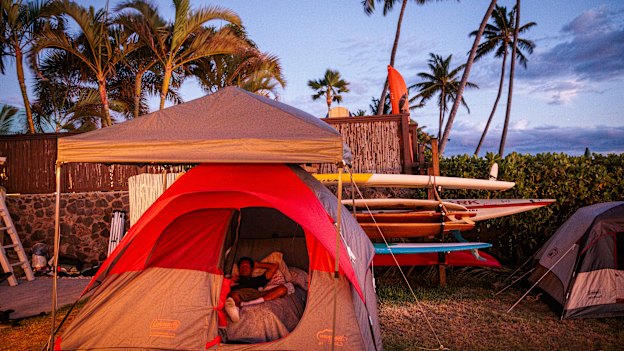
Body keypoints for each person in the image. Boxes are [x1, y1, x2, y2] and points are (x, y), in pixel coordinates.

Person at [224, 256, 290, 322]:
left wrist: (258, 265)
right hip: (239, 295)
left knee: (283, 289)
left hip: (255, 294)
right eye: (242, 266)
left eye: (247, 266)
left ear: (252, 269)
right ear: (239, 269)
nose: (244, 268)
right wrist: (228, 283)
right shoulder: (232, 280)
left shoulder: (258, 280)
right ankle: (235, 312)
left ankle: (246, 304)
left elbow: (274, 267)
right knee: (233, 295)